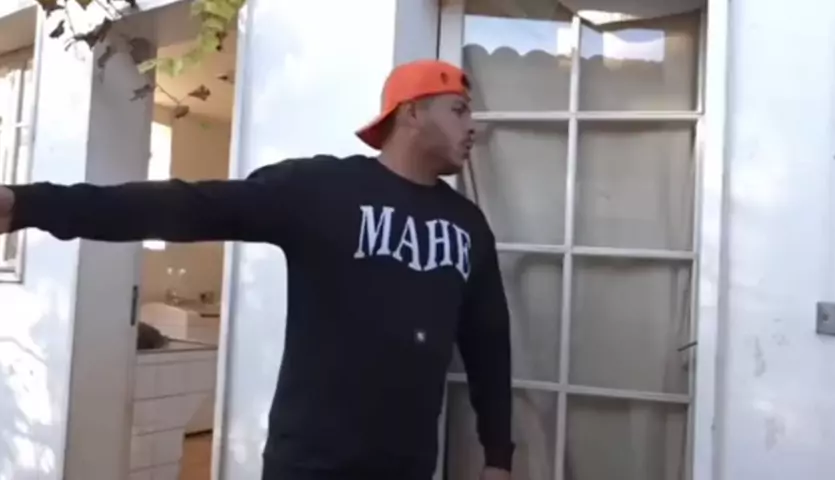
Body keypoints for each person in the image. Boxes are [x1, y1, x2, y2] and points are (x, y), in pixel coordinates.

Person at [0, 59, 513, 480]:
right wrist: (29, 204)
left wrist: (498, 456)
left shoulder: (468, 224)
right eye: (459, 110)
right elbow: (187, 205)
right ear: (412, 113)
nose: (472, 127)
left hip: (407, 467)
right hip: (309, 465)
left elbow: (488, 342)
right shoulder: (322, 189)